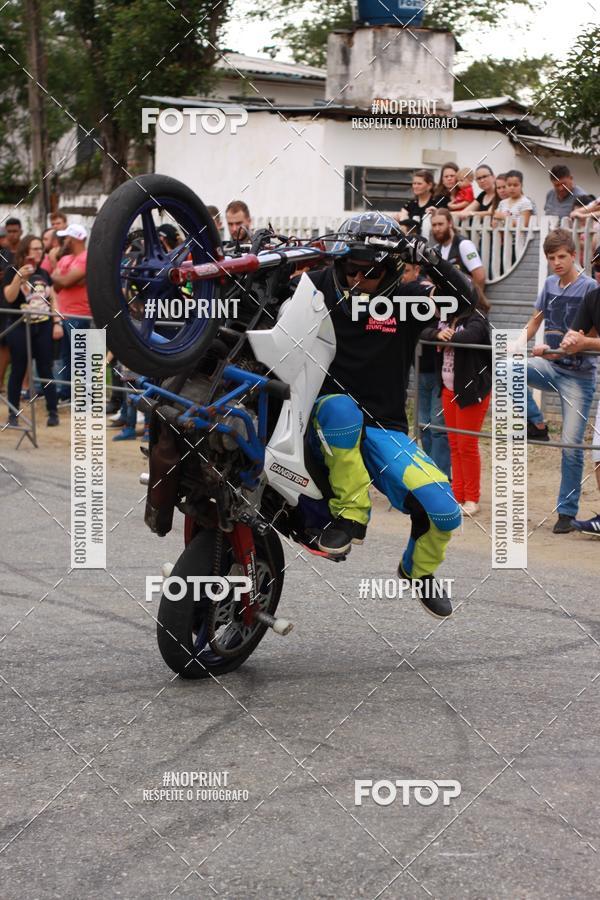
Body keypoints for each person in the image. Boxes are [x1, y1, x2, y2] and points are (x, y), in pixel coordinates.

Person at [295, 213, 476, 619]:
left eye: (371, 271)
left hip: (383, 427)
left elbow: (465, 301)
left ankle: (418, 569)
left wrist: (427, 256)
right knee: (342, 409)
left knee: (444, 511)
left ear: (392, 269)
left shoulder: (408, 300)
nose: (358, 278)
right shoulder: (319, 286)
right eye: (351, 268)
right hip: (323, 418)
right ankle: (350, 516)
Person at [520, 228, 597, 533]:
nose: (556, 262)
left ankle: (566, 513)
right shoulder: (550, 283)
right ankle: (537, 424)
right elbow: (536, 319)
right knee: (506, 370)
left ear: (574, 255)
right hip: (549, 364)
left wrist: (561, 348)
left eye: (561, 256)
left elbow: (591, 335)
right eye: (551, 258)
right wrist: (517, 345)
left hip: (578, 376)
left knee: (571, 446)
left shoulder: (591, 287)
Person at [422, 294, 491, 516]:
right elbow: (422, 331)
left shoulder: (476, 317)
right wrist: (436, 333)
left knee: (467, 445)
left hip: (471, 391)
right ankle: (457, 494)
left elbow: (471, 336)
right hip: (448, 389)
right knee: (454, 444)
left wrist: (446, 338)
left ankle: (472, 498)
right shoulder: (445, 317)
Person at [2, 234, 61, 427]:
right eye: (35, 248)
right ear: (25, 250)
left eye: (40, 249)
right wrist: (20, 277)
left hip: (43, 325)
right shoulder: (12, 271)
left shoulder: (44, 273)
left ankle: (53, 411)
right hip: (20, 326)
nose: (38, 252)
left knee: (46, 368)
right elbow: (9, 298)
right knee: (18, 368)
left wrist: (57, 322)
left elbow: (53, 298)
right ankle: (13, 413)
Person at [560, 287, 600, 535]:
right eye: (597, 266)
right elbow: (576, 333)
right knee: (598, 453)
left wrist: (585, 342)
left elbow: (587, 340)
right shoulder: (593, 297)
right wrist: (570, 342)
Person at [407, 261, 451, 478]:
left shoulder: (441, 299)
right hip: (421, 368)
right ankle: (430, 471)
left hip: (439, 371)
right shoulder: (411, 297)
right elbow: (419, 330)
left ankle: (442, 474)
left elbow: (442, 329)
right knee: (423, 425)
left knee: (437, 426)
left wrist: (433, 334)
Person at [51, 223, 91, 402]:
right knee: (67, 357)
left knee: (83, 358)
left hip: (81, 315)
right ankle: (68, 393)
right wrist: (67, 278)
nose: (64, 241)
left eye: (67, 237)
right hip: (66, 314)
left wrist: (64, 278)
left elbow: (64, 281)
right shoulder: (66, 259)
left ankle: (87, 397)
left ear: (75, 238)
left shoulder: (86, 257)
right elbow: (57, 283)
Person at [429, 209, 486, 295]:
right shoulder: (436, 249)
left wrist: (473, 301)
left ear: (450, 223)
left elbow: (480, 277)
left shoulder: (464, 245)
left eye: (440, 224)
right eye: (434, 225)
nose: (437, 228)